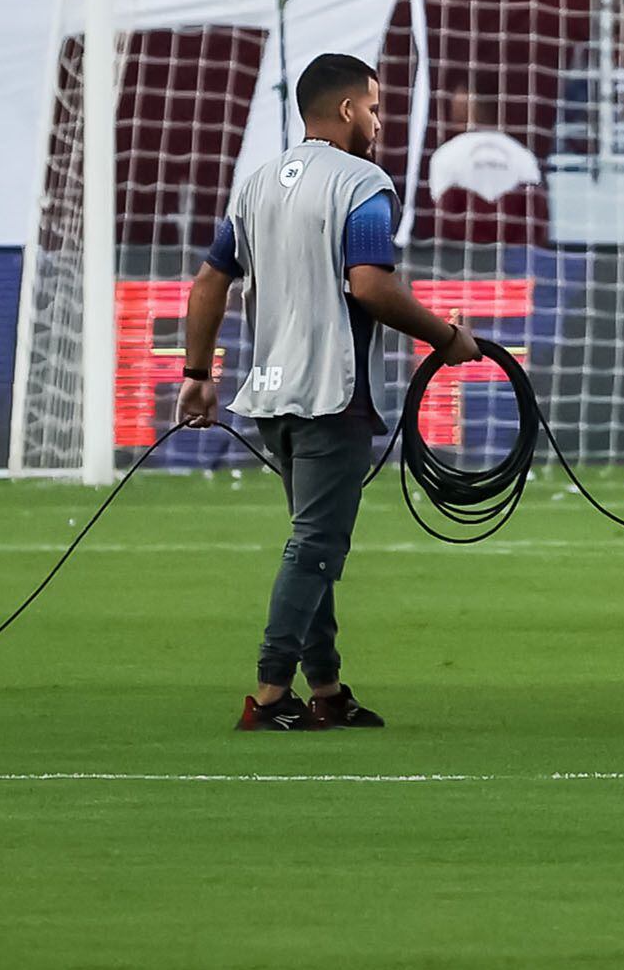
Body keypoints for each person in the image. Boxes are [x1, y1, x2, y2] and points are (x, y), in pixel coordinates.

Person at [179, 53, 479, 734]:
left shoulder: (255, 184)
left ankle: (326, 688)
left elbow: (207, 282)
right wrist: (446, 336)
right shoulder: (362, 183)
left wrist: (197, 377)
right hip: (331, 391)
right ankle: (270, 690)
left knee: (307, 544)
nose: (378, 120)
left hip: (271, 395)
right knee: (315, 545)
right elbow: (369, 284)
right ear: (347, 110)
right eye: (373, 106)